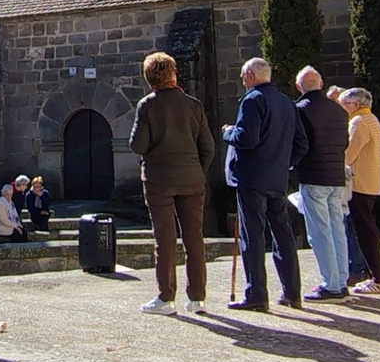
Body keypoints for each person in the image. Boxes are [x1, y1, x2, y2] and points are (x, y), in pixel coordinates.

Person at [129, 51, 215, 315]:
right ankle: (197, 298)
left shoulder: (147, 105)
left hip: (159, 180)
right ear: (173, 73)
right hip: (191, 178)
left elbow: (138, 144)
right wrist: (197, 171)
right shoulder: (193, 105)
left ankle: (166, 298)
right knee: (194, 238)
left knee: (164, 239)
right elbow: (208, 147)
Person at [222, 58, 307, 312]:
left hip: (252, 178)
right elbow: (302, 144)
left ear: (250, 75)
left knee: (254, 237)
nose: (241, 80)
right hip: (277, 179)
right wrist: (283, 163)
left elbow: (246, 138)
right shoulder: (286, 102)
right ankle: (292, 293)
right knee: (283, 234)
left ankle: (257, 294)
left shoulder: (252, 100)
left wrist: (228, 131)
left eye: (242, 75)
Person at [292, 66, 351, 302]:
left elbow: (300, 145)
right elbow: (344, 142)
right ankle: (341, 281)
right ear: (321, 83)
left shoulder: (300, 110)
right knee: (337, 229)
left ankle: (331, 284)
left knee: (319, 232)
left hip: (313, 175)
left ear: (299, 87)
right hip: (335, 175)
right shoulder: (339, 110)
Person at [340, 87, 380, 295]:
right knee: (365, 230)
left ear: (355, 104)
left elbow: (349, 154)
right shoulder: (371, 120)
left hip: (360, 183)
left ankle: (379, 278)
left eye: (345, 104)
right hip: (370, 182)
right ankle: (375, 276)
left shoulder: (359, 122)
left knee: (365, 232)